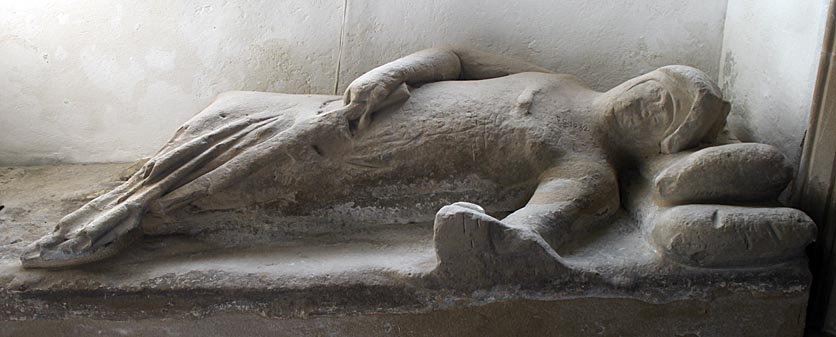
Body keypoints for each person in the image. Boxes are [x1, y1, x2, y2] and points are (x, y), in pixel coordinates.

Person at [20, 48, 812, 277]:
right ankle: (131, 191)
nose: (650, 99)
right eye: (660, 84)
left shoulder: (592, 168)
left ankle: (125, 219)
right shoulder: (560, 79)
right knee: (233, 112)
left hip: (364, 171)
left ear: (665, 143)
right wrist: (399, 70)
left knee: (245, 181)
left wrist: (492, 238)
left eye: (668, 112)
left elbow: (544, 221)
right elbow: (460, 56)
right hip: (360, 112)